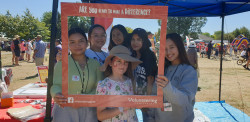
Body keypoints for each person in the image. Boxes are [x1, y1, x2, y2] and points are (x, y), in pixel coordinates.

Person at [50, 28, 104, 122]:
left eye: (81, 41)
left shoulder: (95, 64)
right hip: (65, 109)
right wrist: (56, 94)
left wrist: (83, 99)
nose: (77, 45)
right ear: (67, 44)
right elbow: (56, 85)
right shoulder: (62, 64)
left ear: (87, 43)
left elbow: (100, 88)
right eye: (72, 42)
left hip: (90, 110)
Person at [149, 33, 198, 122]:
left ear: (179, 47)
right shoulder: (162, 70)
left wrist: (167, 87)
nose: (168, 52)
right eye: (165, 49)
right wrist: (150, 118)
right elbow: (154, 95)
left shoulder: (189, 71)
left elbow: (186, 100)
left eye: (171, 47)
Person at [96, 45, 141, 122]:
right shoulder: (103, 85)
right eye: (119, 61)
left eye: (125, 62)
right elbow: (100, 116)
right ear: (110, 63)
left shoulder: (132, 82)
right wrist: (122, 107)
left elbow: (136, 106)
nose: (122, 65)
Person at [129, 28, 157, 121]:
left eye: (138, 40)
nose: (135, 42)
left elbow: (150, 80)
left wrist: (147, 101)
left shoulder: (149, 56)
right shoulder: (132, 56)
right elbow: (132, 77)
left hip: (148, 97)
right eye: (133, 39)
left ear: (144, 41)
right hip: (136, 96)